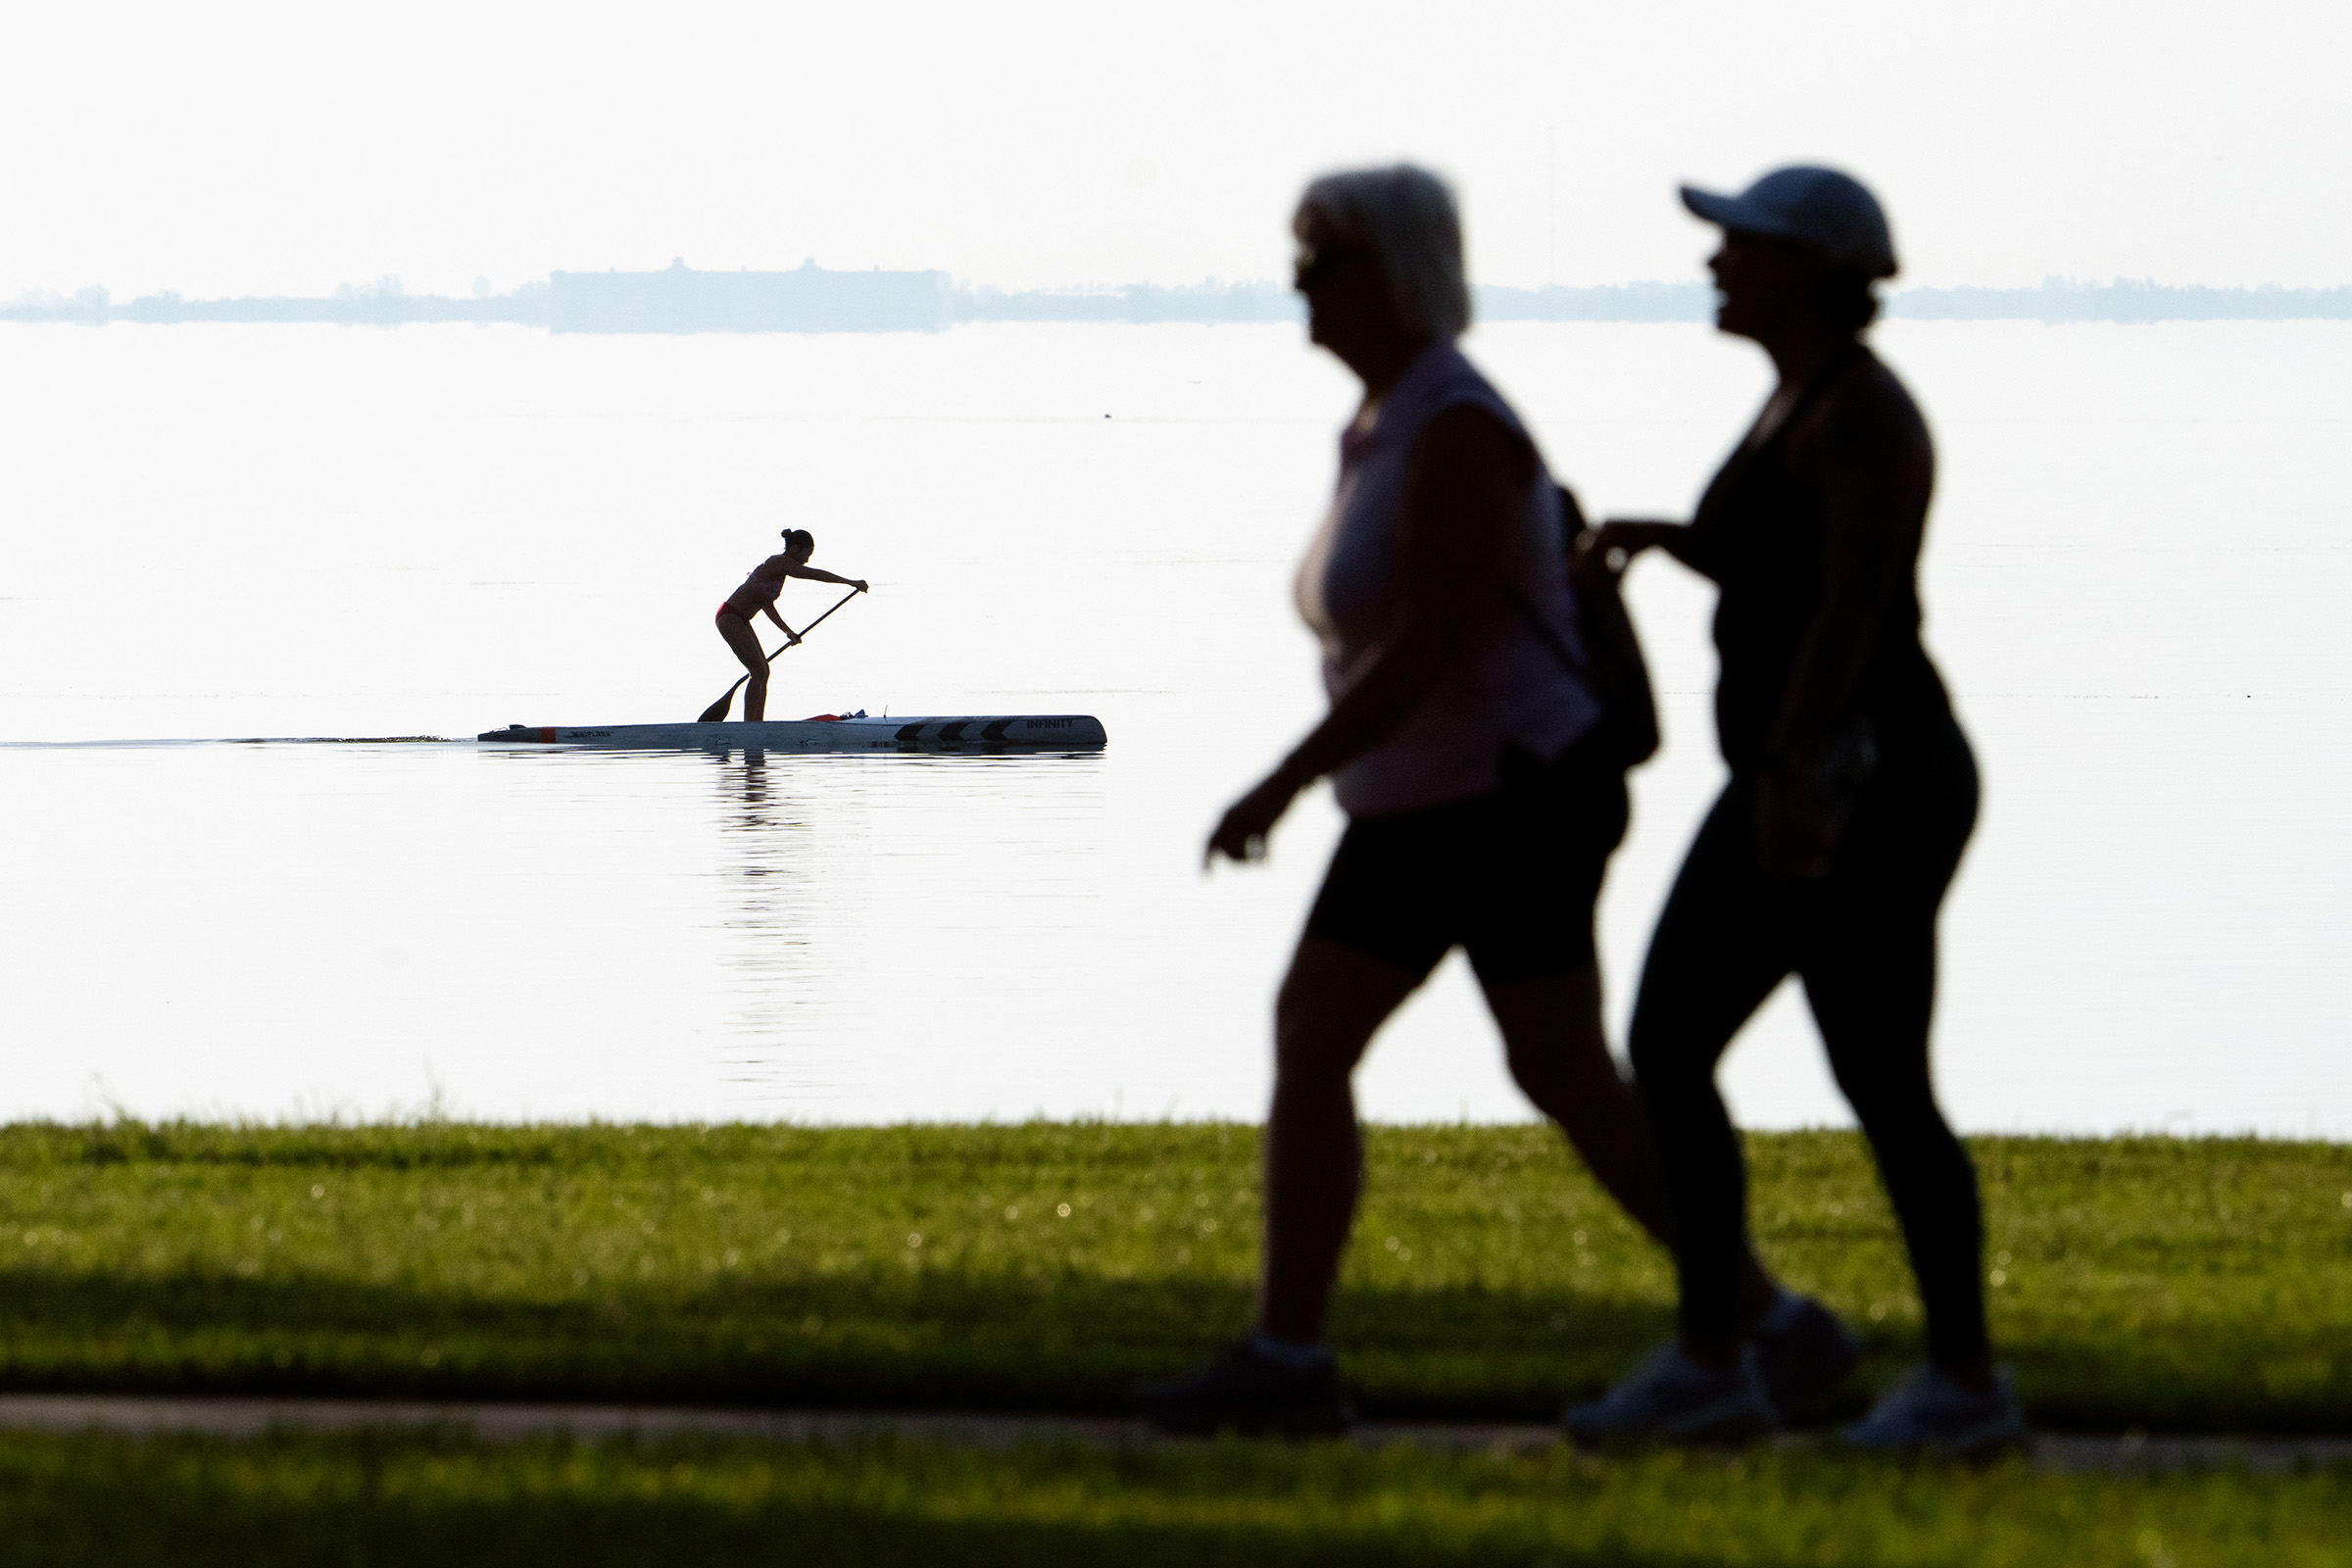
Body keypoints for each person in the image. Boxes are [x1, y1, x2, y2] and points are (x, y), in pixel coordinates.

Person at [1135, 166, 1847, 1439]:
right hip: (1442, 794)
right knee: (1543, 1067)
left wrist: (1280, 783)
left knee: (1354, 1039)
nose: (1300, 282)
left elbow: (1429, 646)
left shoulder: (1455, 424)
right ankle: (1771, 1320)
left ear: (1393, 274)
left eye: (1323, 258)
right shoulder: (1393, 420)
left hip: (1504, 795)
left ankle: (1292, 1362)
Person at [1564, 168, 2027, 1455]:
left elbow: (1853, 604)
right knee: (1672, 1045)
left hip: (1856, 777)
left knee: (1872, 1075)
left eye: (1741, 248)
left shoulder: (1866, 417)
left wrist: (1786, 780)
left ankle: (1960, 1384)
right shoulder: (1803, 401)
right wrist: (1669, 539)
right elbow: (1786, 558)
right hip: (1806, 767)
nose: (1716, 265)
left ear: (1814, 268)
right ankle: (1725, 1354)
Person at [715, 528, 867, 721]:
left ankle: (756, 723)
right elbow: (815, 574)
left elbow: (766, 604)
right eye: (806, 554)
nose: (807, 560)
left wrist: (788, 631)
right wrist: (850, 582)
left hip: (739, 619)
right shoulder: (780, 563)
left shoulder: (778, 570)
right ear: (795, 549)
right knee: (758, 671)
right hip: (730, 617)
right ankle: (750, 726)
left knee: (763, 671)